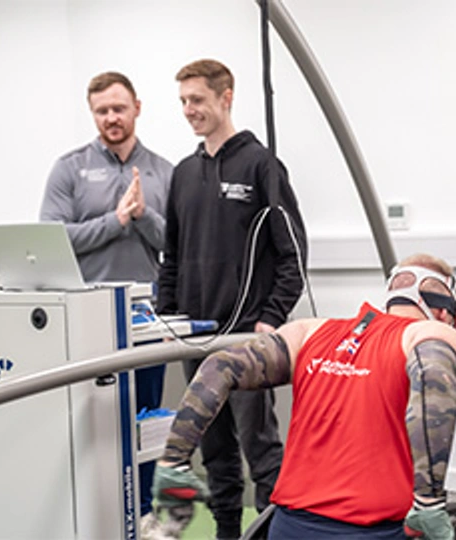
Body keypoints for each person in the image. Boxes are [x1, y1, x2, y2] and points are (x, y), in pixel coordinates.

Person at [153, 253, 456, 539]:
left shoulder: (310, 331)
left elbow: (218, 367)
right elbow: (432, 379)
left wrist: (174, 459)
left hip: (289, 528)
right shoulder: (429, 332)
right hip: (371, 532)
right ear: (444, 312)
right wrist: (429, 500)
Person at [156, 58, 308, 539]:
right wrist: (167, 320)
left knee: (260, 452)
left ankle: (269, 533)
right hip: (195, 340)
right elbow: (172, 257)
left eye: (197, 99)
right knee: (214, 451)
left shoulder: (261, 165)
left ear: (226, 97)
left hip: (246, 340)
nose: (188, 110)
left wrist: (270, 319)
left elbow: (293, 254)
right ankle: (226, 534)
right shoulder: (183, 174)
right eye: (182, 101)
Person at [39, 71, 173, 520]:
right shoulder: (70, 167)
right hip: (88, 312)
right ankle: (94, 511)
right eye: (102, 111)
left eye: (119, 108)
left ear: (138, 106)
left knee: (147, 416)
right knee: (92, 415)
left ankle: (145, 511)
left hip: (146, 313)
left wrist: (143, 214)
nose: (111, 118)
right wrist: (115, 221)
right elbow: (53, 238)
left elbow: (177, 242)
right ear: (92, 113)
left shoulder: (165, 171)